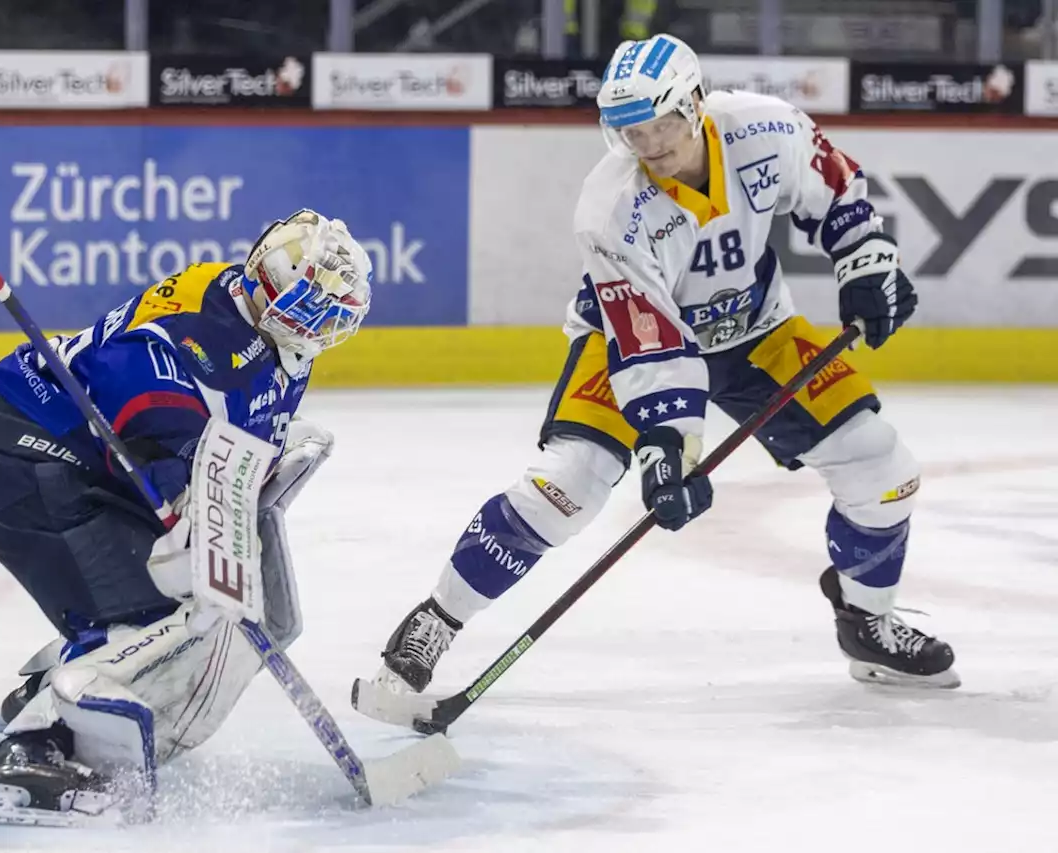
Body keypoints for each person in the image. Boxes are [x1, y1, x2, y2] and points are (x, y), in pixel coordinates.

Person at [355, 34, 957, 724]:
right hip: (627, 343)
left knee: (881, 464)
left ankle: (868, 622)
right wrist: (670, 449)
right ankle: (438, 619)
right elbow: (651, 341)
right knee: (569, 483)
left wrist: (867, 262)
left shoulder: (765, 127)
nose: (649, 143)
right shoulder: (609, 206)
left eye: (662, 124)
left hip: (758, 331)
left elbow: (838, 189)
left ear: (694, 103)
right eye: (632, 131)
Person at [0, 210, 372, 825]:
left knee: (196, 609)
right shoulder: (213, 323)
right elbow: (136, 385)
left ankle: (54, 690)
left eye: (335, 316)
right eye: (315, 308)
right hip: (28, 463)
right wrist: (178, 499)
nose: (324, 327)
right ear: (273, 284)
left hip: (83, 470)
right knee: (158, 619)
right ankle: (33, 753)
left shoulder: (276, 336)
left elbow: (220, 433)